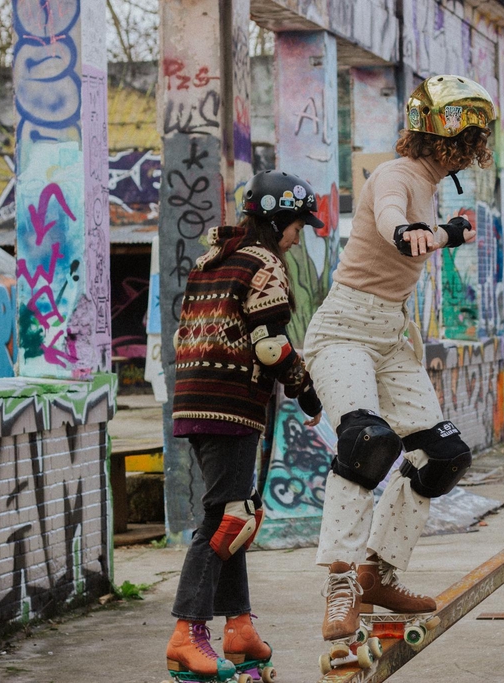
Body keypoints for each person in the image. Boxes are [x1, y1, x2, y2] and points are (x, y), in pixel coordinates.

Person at [304, 75, 495, 656]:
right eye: (470, 142)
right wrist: (413, 230)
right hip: (344, 330)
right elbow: (390, 211)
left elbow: (422, 231)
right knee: (368, 442)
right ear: (451, 142)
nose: (473, 151)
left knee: (443, 456)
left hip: (391, 337)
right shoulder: (397, 175)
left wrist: (442, 231)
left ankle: (377, 573)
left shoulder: (430, 184)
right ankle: (341, 581)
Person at [165, 170, 324, 681]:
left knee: (238, 510)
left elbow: (182, 336)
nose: (298, 236)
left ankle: (238, 628)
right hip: (231, 404)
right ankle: (186, 633)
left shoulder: (210, 260)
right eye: (297, 225)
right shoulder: (264, 263)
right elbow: (271, 346)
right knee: (227, 518)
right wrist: (307, 391)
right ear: (278, 221)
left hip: (194, 400)